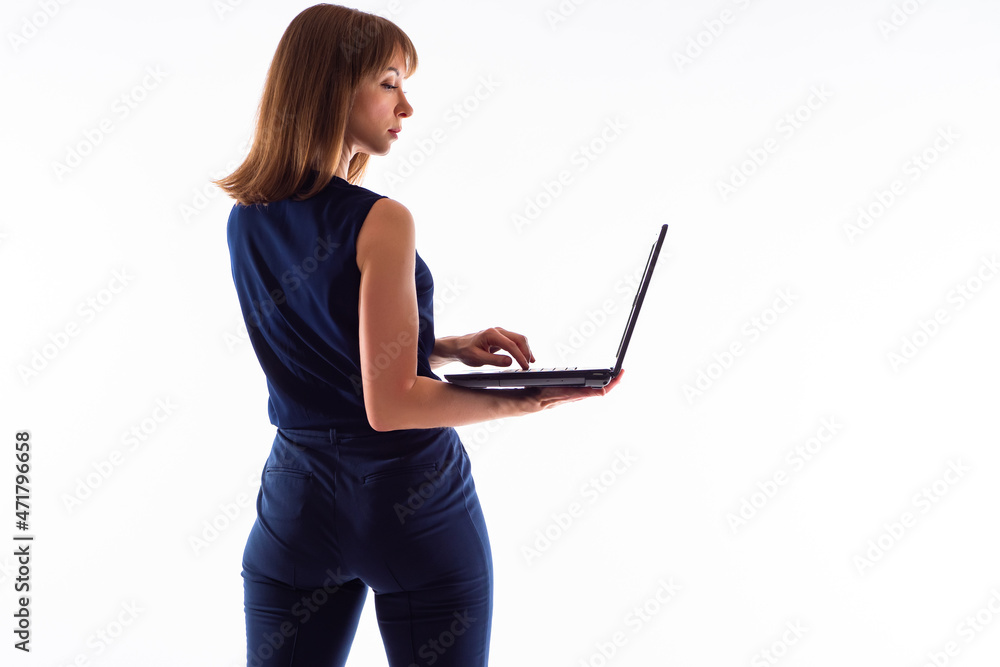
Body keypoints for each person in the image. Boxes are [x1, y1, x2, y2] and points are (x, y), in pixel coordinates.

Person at [214, 4, 622, 666]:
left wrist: (445, 344)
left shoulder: (246, 219)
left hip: (296, 510)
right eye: (388, 82)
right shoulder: (382, 220)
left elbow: (322, 335)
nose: (405, 107)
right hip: (410, 505)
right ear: (327, 87)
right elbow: (392, 403)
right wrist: (519, 398)